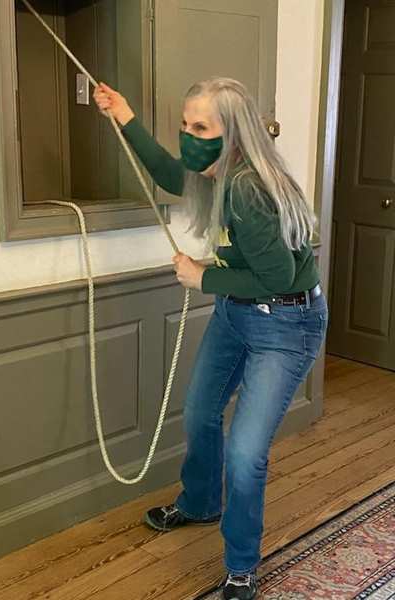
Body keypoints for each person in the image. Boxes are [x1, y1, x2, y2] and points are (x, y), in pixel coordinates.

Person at [93, 77, 328, 600]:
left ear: (235, 134)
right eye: (185, 125)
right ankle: (201, 503)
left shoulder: (248, 187)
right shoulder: (217, 171)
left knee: (246, 454)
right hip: (236, 314)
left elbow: (277, 277)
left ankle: (242, 567)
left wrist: (203, 277)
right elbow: (172, 174)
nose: (188, 137)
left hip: (285, 324)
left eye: (201, 127)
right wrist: (124, 114)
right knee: (199, 412)